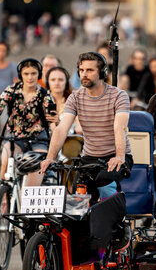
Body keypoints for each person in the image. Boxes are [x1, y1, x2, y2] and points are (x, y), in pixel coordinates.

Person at [40, 52, 133, 201]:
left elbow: (119, 127)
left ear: (102, 73)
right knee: (78, 196)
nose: (84, 74)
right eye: (82, 70)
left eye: (90, 70)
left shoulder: (118, 95)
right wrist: (50, 158)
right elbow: (62, 129)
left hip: (116, 155)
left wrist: (120, 156)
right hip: (89, 157)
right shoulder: (76, 97)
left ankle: (116, 216)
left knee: (104, 181)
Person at [0, 58, 56, 186]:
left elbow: (52, 122)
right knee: (6, 160)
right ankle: (6, 197)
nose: (30, 77)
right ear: (20, 75)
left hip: (38, 139)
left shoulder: (45, 95)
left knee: (35, 176)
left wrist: (56, 138)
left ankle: (28, 202)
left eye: (33, 73)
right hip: (15, 138)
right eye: (26, 74)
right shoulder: (11, 91)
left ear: (38, 75)